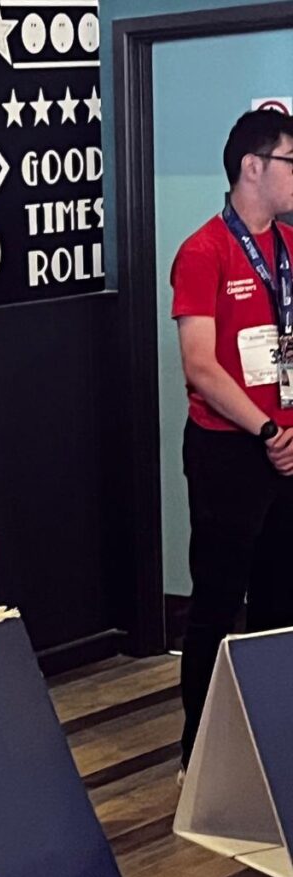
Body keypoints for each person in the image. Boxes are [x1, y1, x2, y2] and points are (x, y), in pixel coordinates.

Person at [170, 109, 293, 775]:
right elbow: (200, 365)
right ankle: (202, 757)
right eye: (291, 162)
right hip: (229, 454)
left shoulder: (289, 249)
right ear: (254, 166)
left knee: (281, 605)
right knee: (217, 603)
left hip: (287, 450)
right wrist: (269, 430)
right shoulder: (203, 250)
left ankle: (271, 745)